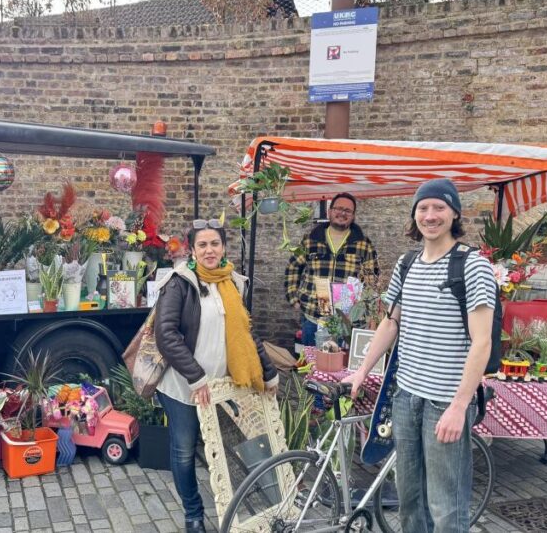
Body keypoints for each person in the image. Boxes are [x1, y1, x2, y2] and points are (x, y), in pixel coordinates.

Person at [342, 178, 495, 532]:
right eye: (423, 208)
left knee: (445, 506)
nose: (430, 215)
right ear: (414, 215)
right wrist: (362, 370)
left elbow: (482, 342)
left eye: (439, 207)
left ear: (454, 214)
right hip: (406, 396)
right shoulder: (406, 263)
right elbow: (390, 323)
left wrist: (459, 406)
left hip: (445, 400)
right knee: (409, 499)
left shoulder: (472, 265)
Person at [154, 218, 280, 533]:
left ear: (223, 247)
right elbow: (166, 335)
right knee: (184, 451)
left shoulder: (233, 282)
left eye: (214, 244)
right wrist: (196, 378)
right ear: (192, 250)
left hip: (223, 387)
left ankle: (236, 509)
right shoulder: (179, 283)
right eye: (202, 245)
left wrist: (268, 372)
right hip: (184, 386)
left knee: (227, 449)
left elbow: (245, 333)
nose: (209, 250)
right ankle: (193, 513)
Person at [285, 192, 380, 346]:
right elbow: (293, 267)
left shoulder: (363, 244)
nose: (342, 213)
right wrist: (293, 299)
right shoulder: (311, 240)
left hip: (346, 321)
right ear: (329, 211)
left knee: (341, 360)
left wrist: (367, 313)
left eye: (347, 211)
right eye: (338, 208)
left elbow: (372, 280)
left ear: (353, 216)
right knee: (311, 360)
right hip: (313, 318)